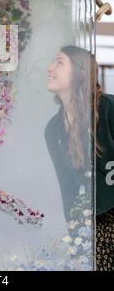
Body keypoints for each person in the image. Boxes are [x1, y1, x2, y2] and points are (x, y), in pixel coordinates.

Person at [44, 45, 114, 271]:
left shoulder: (108, 108)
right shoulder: (53, 130)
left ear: (80, 72)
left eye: (59, 62)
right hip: (92, 225)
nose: (50, 68)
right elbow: (69, 191)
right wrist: (75, 241)